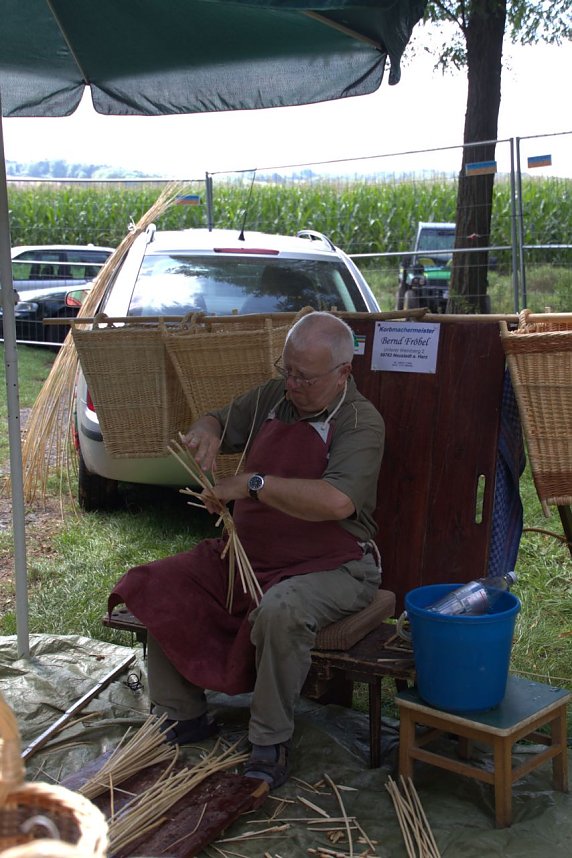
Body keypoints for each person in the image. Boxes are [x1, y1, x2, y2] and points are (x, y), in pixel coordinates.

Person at [109, 310, 385, 789]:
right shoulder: (272, 397)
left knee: (283, 609)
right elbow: (218, 418)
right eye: (288, 370)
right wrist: (207, 431)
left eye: (305, 376)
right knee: (161, 582)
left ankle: (269, 741)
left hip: (333, 564)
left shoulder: (360, 422)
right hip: (250, 556)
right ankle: (181, 716)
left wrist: (252, 484)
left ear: (343, 373)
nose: (292, 384)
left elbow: (336, 500)